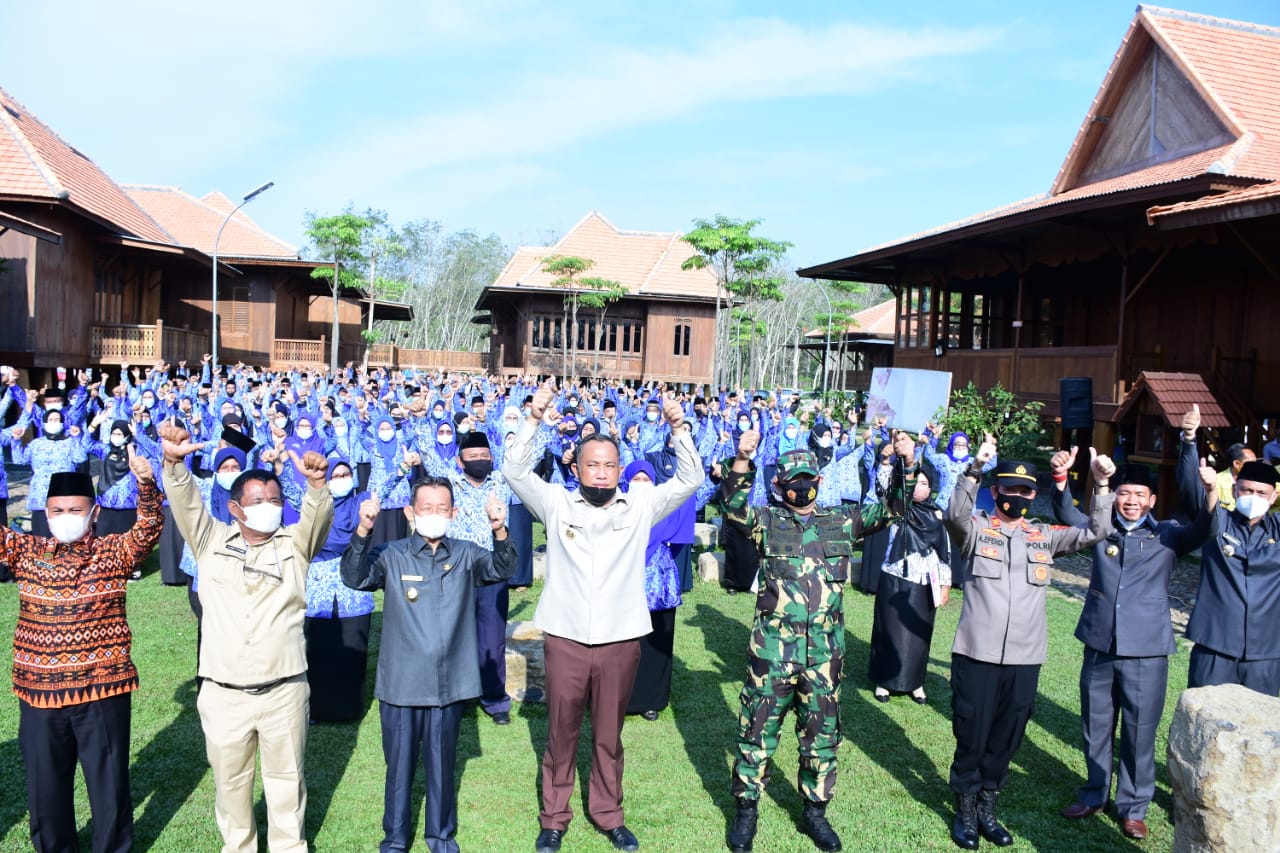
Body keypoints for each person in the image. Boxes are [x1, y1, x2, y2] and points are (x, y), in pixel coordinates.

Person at [503, 384, 702, 853]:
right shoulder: (555, 503)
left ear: (619, 469)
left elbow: (690, 480)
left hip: (619, 640)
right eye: (591, 464)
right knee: (560, 731)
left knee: (609, 736)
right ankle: (554, 816)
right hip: (567, 639)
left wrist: (679, 428)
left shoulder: (639, 505)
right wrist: (532, 418)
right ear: (576, 468)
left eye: (609, 465)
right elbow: (514, 470)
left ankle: (609, 813)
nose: (601, 473)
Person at [720, 431, 909, 853]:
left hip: (824, 658)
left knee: (821, 737)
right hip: (771, 656)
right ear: (779, 485)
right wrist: (742, 457)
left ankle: (815, 813)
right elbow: (732, 508)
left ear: (819, 483)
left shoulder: (841, 522)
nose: (801, 487)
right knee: (755, 733)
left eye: (808, 479)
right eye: (793, 481)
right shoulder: (767, 521)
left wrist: (904, 463)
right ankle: (746, 812)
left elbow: (896, 507)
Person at [160, 423, 334, 853]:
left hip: (284, 691)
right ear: (237, 509)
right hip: (224, 694)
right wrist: (174, 463)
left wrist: (316, 486)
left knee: (286, 786)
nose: (268, 508)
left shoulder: (294, 545)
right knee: (231, 786)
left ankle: (288, 848)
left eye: (275, 501)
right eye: (258, 502)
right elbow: (187, 505)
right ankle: (238, 847)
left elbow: (317, 517)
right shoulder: (211, 541)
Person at [944, 441, 1115, 850]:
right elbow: (954, 515)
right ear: (997, 491)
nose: (1015, 497)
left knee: (1007, 736)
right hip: (977, 653)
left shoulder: (1044, 536)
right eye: (1008, 489)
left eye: (1024, 491)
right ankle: (965, 810)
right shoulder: (977, 529)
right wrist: (974, 469)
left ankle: (988, 806)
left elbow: (1096, 530)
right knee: (972, 731)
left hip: (1025, 656)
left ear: (1033, 495)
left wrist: (1103, 484)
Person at [341, 476, 514, 853]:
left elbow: (502, 570)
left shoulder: (467, 554)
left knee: (441, 766)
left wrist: (499, 529)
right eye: (426, 509)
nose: (434, 516)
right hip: (402, 683)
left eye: (442, 509)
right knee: (399, 768)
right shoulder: (392, 554)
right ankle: (395, 838)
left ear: (453, 513)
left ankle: (440, 835)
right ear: (410, 512)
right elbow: (355, 577)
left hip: (450, 682)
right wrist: (364, 529)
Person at [2, 455, 162, 853]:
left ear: (94, 512)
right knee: (45, 787)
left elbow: (149, 527)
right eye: (57, 510)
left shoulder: (114, 551)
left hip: (103, 691)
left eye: (75, 509)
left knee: (108, 784)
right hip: (39, 694)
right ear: (45, 512)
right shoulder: (26, 551)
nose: (65, 516)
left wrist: (145, 484)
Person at [1054, 444, 1213, 841]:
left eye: (1140, 495)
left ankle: (1133, 806)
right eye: (1125, 493)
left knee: (1141, 731)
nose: (1130, 501)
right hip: (1100, 643)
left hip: (1147, 649)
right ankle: (1094, 793)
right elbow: (1068, 516)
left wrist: (1211, 494)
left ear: (1152, 500)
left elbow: (1203, 530)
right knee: (1096, 725)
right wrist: (1062, 478)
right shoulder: (1101, 528)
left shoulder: (1168, 536)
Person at [1178, 405, 1280, 695]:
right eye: (1247, 490)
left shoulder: (1277, 530)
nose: (1253, 497)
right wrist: (1188, 438)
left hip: (1266, 653)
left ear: (1273, 497)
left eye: (1261, 493)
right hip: (1215, 646)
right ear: (1235, 490)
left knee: (1261, 730)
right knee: (1202, 721)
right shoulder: (1218, 522)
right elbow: (1190, 492)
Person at [869, 456, 951, 704]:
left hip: (925, 583)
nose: (919, 487)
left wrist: (945, 585)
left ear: (931, 488)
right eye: (915, 482)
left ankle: (916, 683)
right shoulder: (897, 507)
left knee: (918, 636)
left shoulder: (937, 514)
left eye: (925, 483)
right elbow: (883, 486)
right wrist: (885, 461)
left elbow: (943, 551)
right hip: (895, 578)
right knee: (889, 632)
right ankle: (884, 682)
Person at [302, 459, 377, 723]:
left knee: (352, 648)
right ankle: (316, 708)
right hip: (318, 588)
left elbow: (384, 485)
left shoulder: (361, 505)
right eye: (335, 475)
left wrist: (402, 468)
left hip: (352, 587)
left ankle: (348, 708)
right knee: (318, 648)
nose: (341, 479)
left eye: (346, 474)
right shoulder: (315, 508)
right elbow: (289, 489)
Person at [623, 461, 684, 721]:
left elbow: (692, 494)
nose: (641, 485)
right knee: (624, 646)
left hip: (660, 588)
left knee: (655, 645)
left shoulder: (665, 506)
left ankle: (651, 699)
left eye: (646, 479)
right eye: (635, 479)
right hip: (624, 587)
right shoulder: (616, 508)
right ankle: (620, 697)